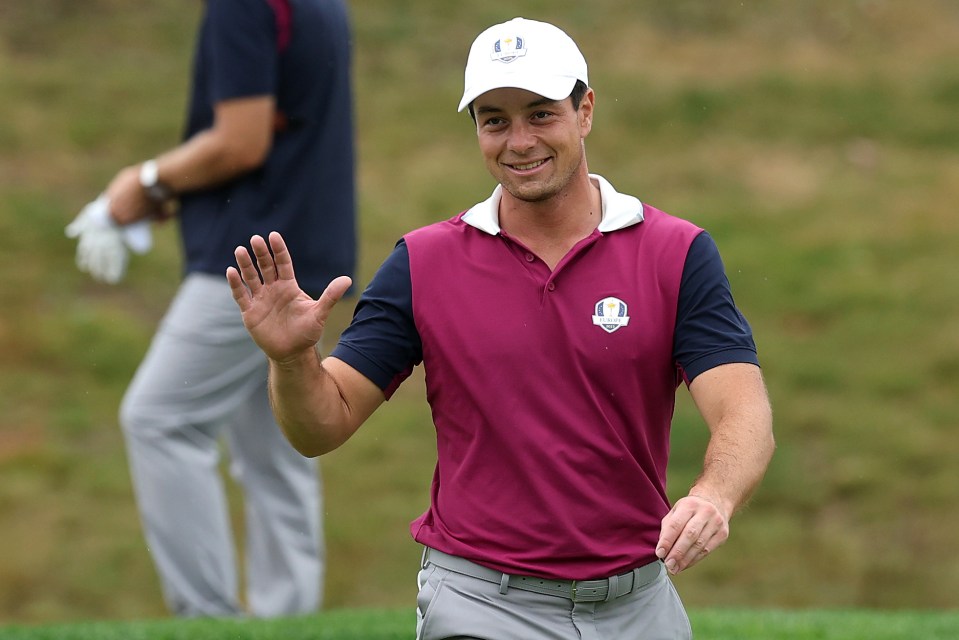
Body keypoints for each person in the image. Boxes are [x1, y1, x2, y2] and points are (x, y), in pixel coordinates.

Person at [227, 16, 773, 639]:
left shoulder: (675, 252)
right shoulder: (424, 262)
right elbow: (322, 426)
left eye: (541, 115)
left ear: (585, 111)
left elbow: (743, 410)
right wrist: (292, 360)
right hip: (482, 602)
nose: (519, 142)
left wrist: (713, 495)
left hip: (637, 602)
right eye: (495, 121)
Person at [74, 0, 356, 618]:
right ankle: (289, 622)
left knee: (160, 419)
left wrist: (147, 181)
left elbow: (240, 141)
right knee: (275, 445)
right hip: (302, 247)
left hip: (253, 262)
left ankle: (207, 622)